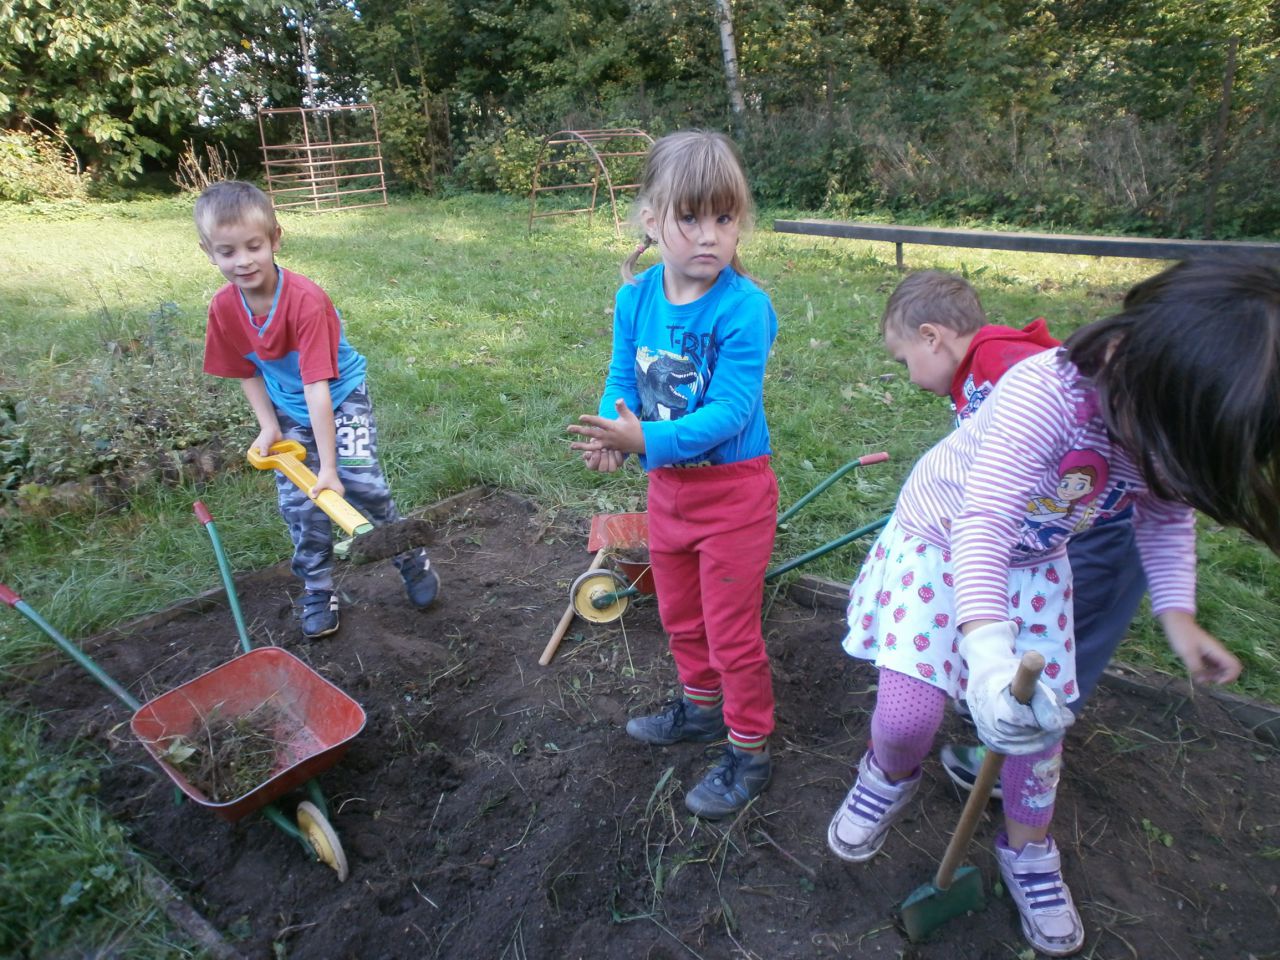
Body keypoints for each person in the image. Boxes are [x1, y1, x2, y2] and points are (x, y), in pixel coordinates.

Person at [828, 257, 1280, 957]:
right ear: (1136, 362)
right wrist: (987, 659)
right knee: (907, 717)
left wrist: (1179, 615)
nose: (1165, 465)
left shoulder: (1167, 420)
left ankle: (1028, 850)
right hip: (942, 542)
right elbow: (983, 525)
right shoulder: (1044, 394)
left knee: (1035, 735)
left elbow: (1164, 516)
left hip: (1035, 566)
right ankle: (887, 775)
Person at [567, 131, 780, 819]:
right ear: (652, 220)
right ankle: (700, 708)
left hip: (734, 495)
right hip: (669, 491)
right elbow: (621, 380)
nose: (709, 235)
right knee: (680, 614)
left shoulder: (744, 309)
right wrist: (614, 434)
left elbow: (730, 411)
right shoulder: (636, 299)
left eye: (724, 217)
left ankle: (749, 751)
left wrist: (644, 439)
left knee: (730, 631)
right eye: (690, 218)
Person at [878, 270, 1149, 797]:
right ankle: (995, 696)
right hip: (1053, 518)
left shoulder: (1000, 363)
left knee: (1060, 632)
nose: (909, 377)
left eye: (904, 360)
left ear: (931, 337)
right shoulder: (984, 364)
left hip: (1094, 516)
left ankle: (1018, 740)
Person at [195, 180, 439, 639]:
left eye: (253, 246)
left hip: (340, 397)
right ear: (209, 253)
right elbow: (246, 370)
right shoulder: (224, 308)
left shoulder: (306, 301)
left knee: (362, 483)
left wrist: (328, 467)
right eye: (227, 251)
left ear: (275, 239)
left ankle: (408, 556)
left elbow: (318, 389)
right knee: (300, 504)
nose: (243, 260)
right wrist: (268, 425)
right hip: (288, 405)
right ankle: (318, 587)